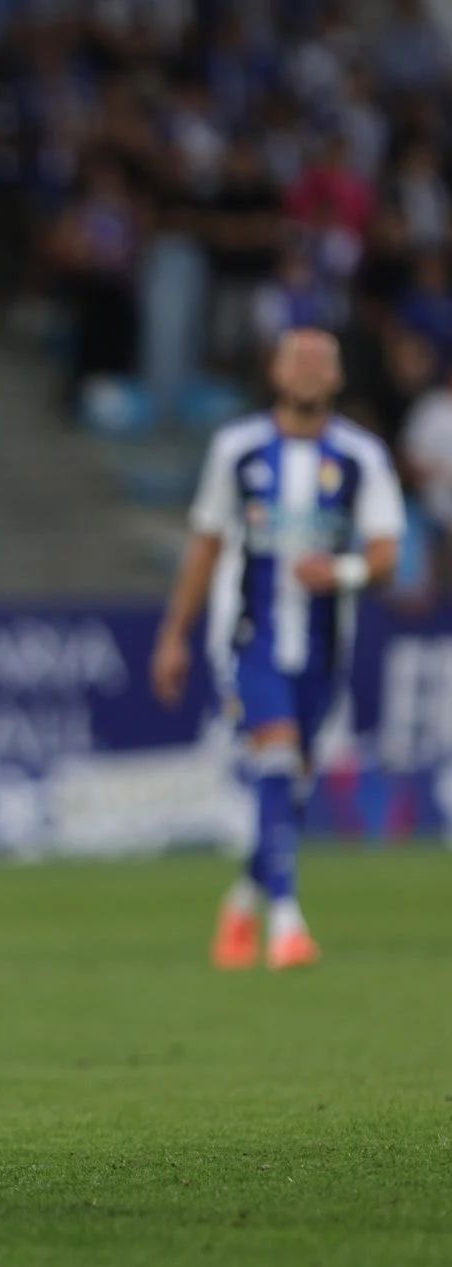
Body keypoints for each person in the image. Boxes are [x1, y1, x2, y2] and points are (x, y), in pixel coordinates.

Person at [150, 328, 403, 971]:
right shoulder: (236, 450)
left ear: (338, 377)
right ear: (276, 373)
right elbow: (206, 545)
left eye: (322, 360)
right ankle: (286, 925)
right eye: (299, 359)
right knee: (278, 753)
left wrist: (340, 571)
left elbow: (385, 555)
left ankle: (242, 902)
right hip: (248, 637)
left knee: (292, 783)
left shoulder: (361, 456)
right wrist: (174, 635)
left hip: (323, 646)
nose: (310, 369)